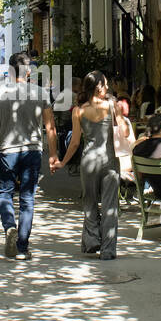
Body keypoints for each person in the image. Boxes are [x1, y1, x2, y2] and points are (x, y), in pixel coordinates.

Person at [0, 51, 60, 260]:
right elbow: (50, 128)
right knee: (27, 198)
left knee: (5, 194)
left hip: (8, 151)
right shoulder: (41, 93)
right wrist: (54, 155)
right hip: (32, 151)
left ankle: (9, 227)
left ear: (10, 70)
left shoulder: (0, 93)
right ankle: (22, 248)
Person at [54, 71, 128, 260]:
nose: (109, 88)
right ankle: (108, 250)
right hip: (109, 160)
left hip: (88, 161)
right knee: (110, 205)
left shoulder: (78, 111)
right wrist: (119, 115)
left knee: (90, 201)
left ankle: (92, 240)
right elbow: (125, 132)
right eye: (106, 84)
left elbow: (75, 143)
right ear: (99, 88)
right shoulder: (112, 106)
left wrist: (63, 162)